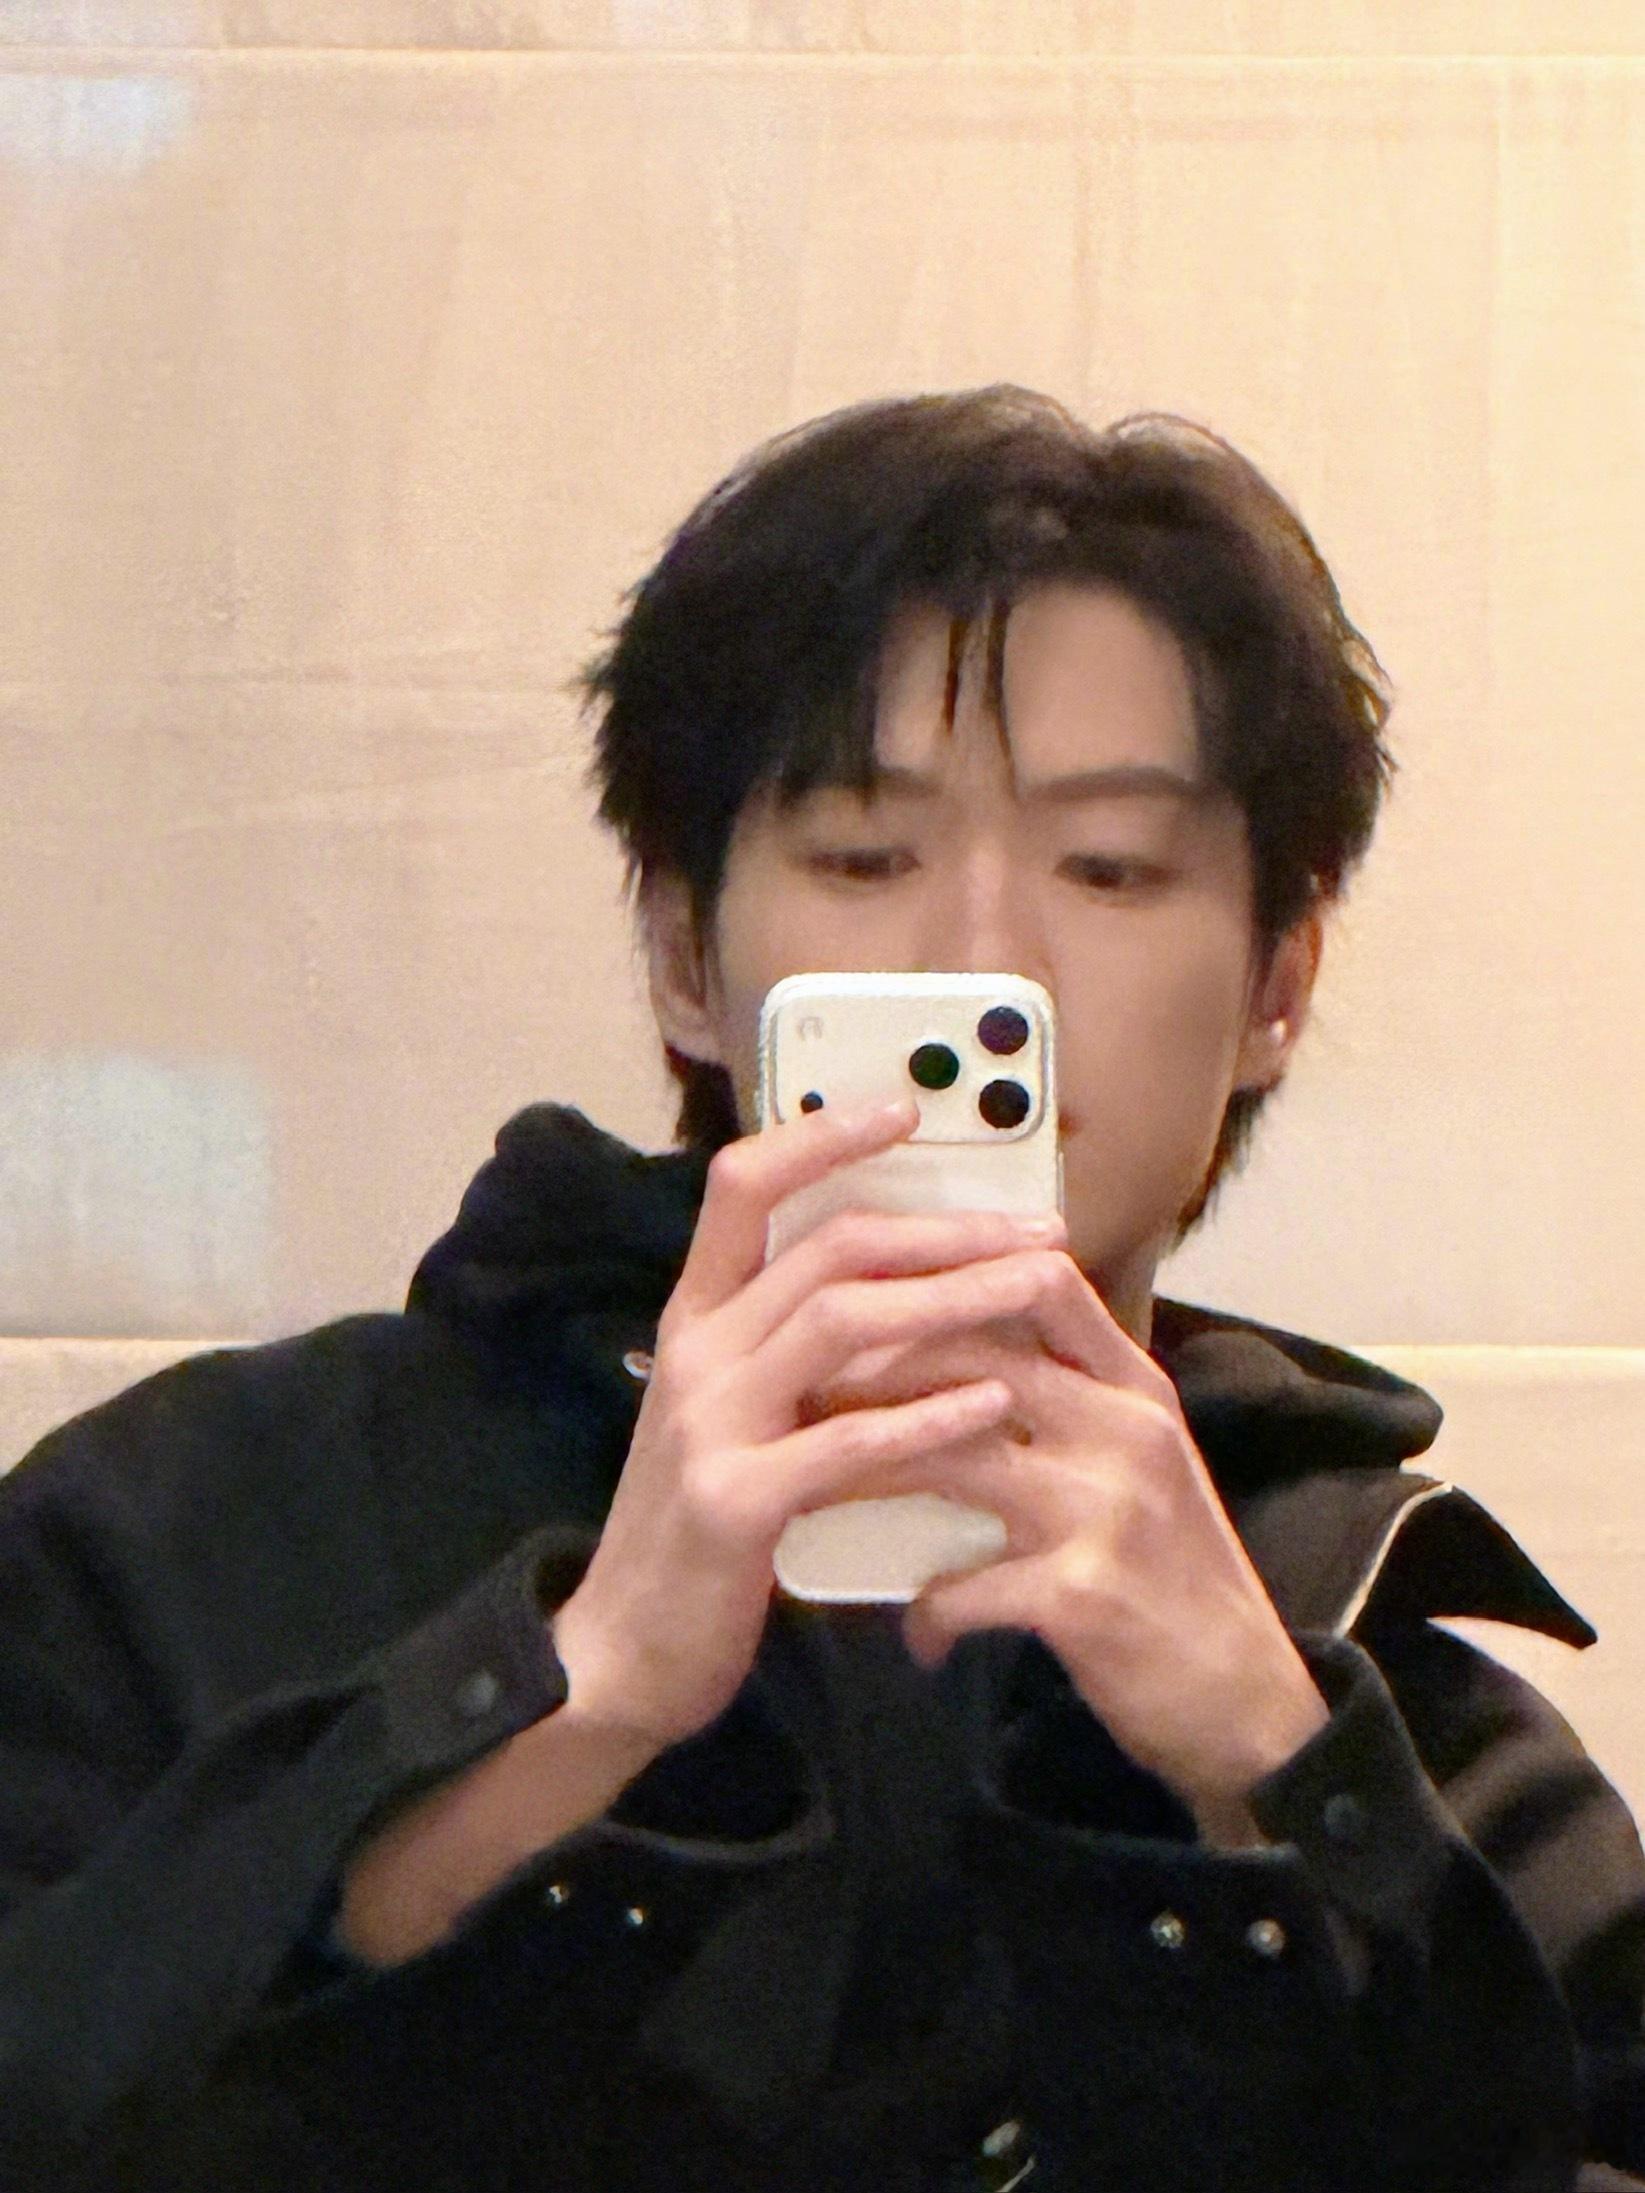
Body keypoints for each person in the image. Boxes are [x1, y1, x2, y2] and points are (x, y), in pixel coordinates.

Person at [1, 387, 1641, 2193]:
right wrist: (569, 1698)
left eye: (1109, 865)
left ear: (1274, 989)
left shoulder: (1391, 1680)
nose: (982, 956)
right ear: (682, 955)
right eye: (864, 856)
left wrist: (1279, 1771)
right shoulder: (191, 1532)